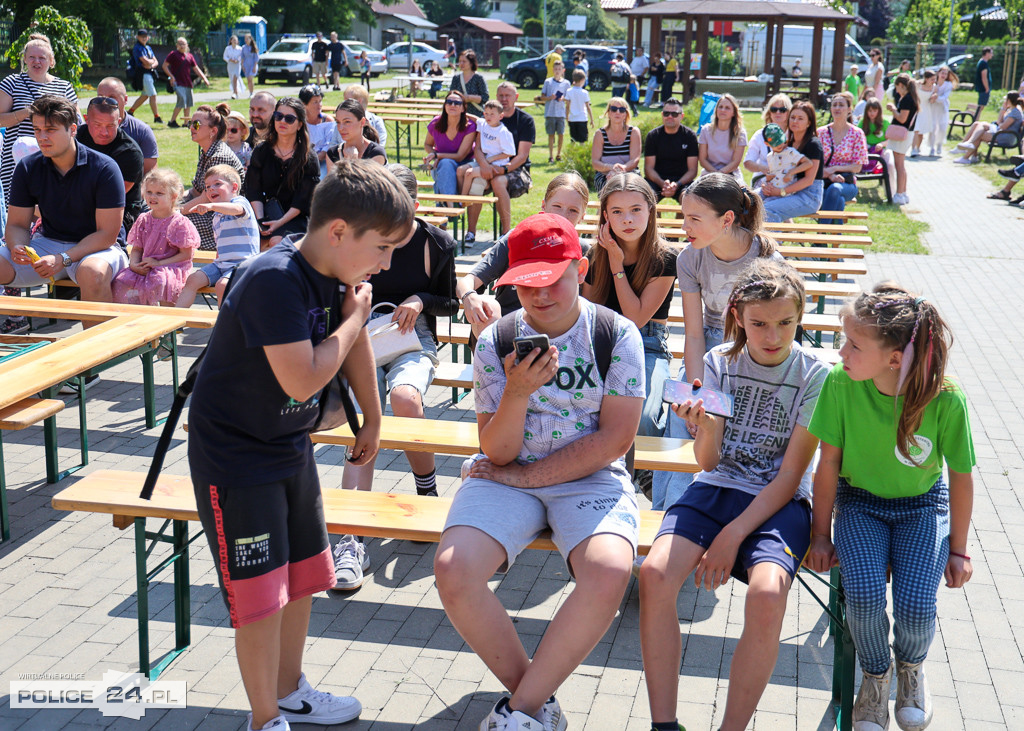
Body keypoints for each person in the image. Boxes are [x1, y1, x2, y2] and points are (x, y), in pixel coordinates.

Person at [186, 159, 414, 731]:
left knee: (305, 574)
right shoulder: (272, 278)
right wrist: (355, 317)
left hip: (290, 446)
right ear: (339, 231)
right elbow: (305, 377)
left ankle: (290, 691)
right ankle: (265, 719)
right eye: (383, 248)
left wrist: (373, 420)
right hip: (237, 458)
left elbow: (353, 343)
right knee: (260, 597)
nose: (387, 263)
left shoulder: (335, 271)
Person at [435, 211, 646, 731]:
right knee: (453, 571)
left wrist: (529, 479)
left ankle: (521, 710)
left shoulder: (616, 335)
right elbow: (498, 452)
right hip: (510, 473)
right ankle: (534, 701)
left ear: (581, 265)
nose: (540, 295)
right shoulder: (495, 341)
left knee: (610, 572)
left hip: (588, 475)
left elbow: (615, 439)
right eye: (526, 283)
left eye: (553, 279)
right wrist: (517, 392)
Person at [640, 258, 829, 731]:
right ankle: (663, 724)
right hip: (718, 487)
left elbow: (791, 477)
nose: (773, 335)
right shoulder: (719, 362)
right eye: (760, 323)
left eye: (786, 322)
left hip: (779, 501)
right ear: (739, 314)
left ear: (800, 316)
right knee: (654, 576)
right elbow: (708, 462)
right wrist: (701, 425)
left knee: (767, 594)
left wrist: (731, 536)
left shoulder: (816, 374)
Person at [806, 284, 975, 731]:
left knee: (917, 604)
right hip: (860, 504)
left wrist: (959, 550)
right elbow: (828, 466)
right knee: (860, 597)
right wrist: (821, 535)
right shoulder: (840, 383)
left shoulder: (946, 398)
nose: (840, 351)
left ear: (895, 358)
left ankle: (911, 669)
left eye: (853, 344)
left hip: (923, 507)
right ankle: (876, 677)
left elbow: (960, 477)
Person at [334, 164, 458, 590]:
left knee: (405, 398)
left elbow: (450, 302)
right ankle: (351, 537)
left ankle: (427, 495)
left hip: (411, 338)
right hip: (361, 336)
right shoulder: (363, 234)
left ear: (414, 207)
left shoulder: (436, 242)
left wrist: (421, 301)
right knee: (356, 414)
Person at [650, 174, 783, 519]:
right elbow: (693, 335)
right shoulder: (689, 259)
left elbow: (772, 337)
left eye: (694, 219)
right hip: (708, 350)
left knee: (720, 421)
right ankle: (667, 517)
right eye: (683, 217)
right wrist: (695, 391)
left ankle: (698, 517)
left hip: (750, 354)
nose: (685, 227)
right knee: (681, 417)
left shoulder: (768, 264)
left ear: (726, 220)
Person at [1, 95, 128, 309]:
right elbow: (16, 225)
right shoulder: (27, 167)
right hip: (47, 244)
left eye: (50, 130)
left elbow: (107, 235)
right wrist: (18, 247)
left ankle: (98, 342)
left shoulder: (105, 168)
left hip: (99, 249)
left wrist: (62, 258)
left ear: (73, 129)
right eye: (37, 129)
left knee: (92, 273)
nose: (42, 137)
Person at [582, 173, 676, 451]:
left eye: (636, 210)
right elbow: (591, 314)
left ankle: (647, 478)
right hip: (601, 342)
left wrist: (617, 265)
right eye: (617, 212)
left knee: (644, 418)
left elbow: (636, 319)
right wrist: (607, 257)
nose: (627, 220)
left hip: (648, 343)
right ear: (605, 216)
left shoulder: (665, 257)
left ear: (650, 210)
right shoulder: (594, 255)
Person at [457, 172, 590, 338]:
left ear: (583, 216)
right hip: (509, 329)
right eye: (557, 206)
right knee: (488, 306)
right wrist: (469, 296)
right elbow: (467, 281)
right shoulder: (518, 238)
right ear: (544, 205)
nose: (563, 216)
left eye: (573, 210)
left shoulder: (584, 250)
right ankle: (494, 361)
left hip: (559, 333)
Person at [112, 168, 199, 306]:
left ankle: (170, 320)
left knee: (161, 281)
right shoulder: (144, 219)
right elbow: (137, 248)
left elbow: (186, 255)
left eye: (159, 193)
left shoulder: (179, 223)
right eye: (149, 192)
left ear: (173, 196)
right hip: (147, 265)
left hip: (172, 266)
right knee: (122, 280)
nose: (153, 197)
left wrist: (159, 264)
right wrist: (134, 264)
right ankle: (139, 318)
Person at [177, 165, 261, 307]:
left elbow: (236, 210)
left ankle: (223, 325)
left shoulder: (240, 202)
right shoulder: (217, 215)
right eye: (208, 186)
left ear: (234, 188)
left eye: (217, 184)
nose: (211, 189)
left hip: (243, 264)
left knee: (222, 285)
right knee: (192, 279)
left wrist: (211, 206)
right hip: (222, 264)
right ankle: (176, 320)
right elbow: (220, 244)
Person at [463, 82, 535, 244]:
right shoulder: (488, 118)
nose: (504, 99)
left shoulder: (525, 121)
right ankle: (471, 232)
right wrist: (485, 166)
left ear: (515, 97)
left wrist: (502, 169)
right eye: (501, 95)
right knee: (476, 183)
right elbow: (478, 148)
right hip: (486, 164)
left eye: (507, 95)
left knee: (497, 181)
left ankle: (505, 233)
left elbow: (521, 156)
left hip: (515, 169)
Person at [246, 98, 321, 247]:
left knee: (276, 242)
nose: (282, 121)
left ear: (299, 124)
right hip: (265, 213)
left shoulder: (308, 157)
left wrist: (278, 223)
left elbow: (302, 201)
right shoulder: (261, 151)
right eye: (278, 116)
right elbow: (253, 190)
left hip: (296, 217)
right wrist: (262, 222)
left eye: (289, 118)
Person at [178, 103, 246, 250]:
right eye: (191, 123)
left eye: (196, 124)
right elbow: (195, 191)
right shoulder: (207, 152)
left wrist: (177, 211)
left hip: (222, 215)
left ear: (213, 131)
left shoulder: (219, 156)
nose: (191, 128)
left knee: (175, 222)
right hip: (208, 208)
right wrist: (174, 200)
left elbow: (206, 197)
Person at [77, 95, 146, 234]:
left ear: (119, 122)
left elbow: (111, 195)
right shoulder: (76, 139)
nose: (104, 132)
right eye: (97, 125)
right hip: (78, 204)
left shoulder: (129, 152)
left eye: (110, 125)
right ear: (86, 119)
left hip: (118, 211)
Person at [758, 101, 824, 221]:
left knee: (767, 210)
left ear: (809, 123)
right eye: (792, 117)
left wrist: (780, 192)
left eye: (800, 118)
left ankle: (773, 240)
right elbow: (777, 170)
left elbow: (809, 180)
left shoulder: (813, 144)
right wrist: (767, 185)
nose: (795, 121)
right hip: (788, 189)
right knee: (752, 200)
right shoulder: (787, 143)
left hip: (809, 196)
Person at [818, 92, 869, 225]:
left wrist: (835, 169)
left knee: (835, 189)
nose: (837, 108)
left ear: (849, 109)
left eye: (841, 105)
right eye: (834, 105)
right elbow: (815, 162)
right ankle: (835, 238)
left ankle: (820, 236)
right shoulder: (821, 133)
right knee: (837, 200)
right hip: (823, 180)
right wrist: (830, 175)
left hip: (847, 183)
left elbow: (857, 167)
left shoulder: (857, 134)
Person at [98, 77, 159, 174]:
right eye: (100, 97)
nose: (105, 102)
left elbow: (150, 177)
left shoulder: (142, 131)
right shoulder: (88, 130)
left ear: (125, 99)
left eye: (112, 97)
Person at [643, 97, 699, 203]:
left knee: (689, 200)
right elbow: (648, 168)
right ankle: (654, 219)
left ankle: (682, 220)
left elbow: (692, 170)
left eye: (674, 114)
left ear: (681, 116)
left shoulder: (689, 136)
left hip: (682, 181)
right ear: (662, 115)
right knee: (647, 199)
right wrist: (662, 183)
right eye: (666, 113)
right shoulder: (653, 136)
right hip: (656, 180)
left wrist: (677, 184)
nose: (669, 116)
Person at [423, 91, 476, 196]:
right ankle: (449, 206)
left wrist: (437, 155)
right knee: (445, 164)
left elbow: (460, 156)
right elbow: (427, 144)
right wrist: (435, 157)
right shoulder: (436, 123)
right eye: (449, 102)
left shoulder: (469, 126)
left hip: (464, 164)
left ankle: (445, 206)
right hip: (442, 164)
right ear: (445, 105)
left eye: (457, 103)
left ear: (463, 108)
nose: (452, 105)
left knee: (446, 163)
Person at [954, 92, 1024, 165]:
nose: (1004, 101)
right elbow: (999, 121)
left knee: (980, 133)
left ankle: (966, 155)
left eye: (1005, 100)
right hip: (1002, 133)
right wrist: (1003, 108)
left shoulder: (1016, 111)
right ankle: (969, 148)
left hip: (1007, 136)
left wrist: (998, 125)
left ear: (1009, 100)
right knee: (977, 124)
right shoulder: (1011, 109)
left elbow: (1003, 126)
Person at [463, 100, 515, 196]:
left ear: (501, 116)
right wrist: (463, 113)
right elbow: (476, 119)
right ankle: (460, 199)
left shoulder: (503, 132)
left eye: (492, 114)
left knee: (469, 173)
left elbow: (509, 152)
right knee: (460, 171)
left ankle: (462, 200)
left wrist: (491, 159)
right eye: (486, 113)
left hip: (497, 165)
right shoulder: (483, 124)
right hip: (485, 162)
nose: (488, 116)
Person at [591, 96, 642, 193]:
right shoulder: (600, 134)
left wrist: (621, 170)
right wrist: (612, 168)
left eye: (622, 110)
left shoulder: (633, 132)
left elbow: (635, 160)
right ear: (608, 113)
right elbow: (595, 163)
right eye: (614, 109)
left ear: (625, 114)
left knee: (631, 191)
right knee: (610, 193)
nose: (617, 112)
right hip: (605, 174)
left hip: (629, 173)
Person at [744, 94, 792, 185]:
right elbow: (748, 162)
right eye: (774, 109)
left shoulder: (794, 134)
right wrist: (762, 168)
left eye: (782, 110)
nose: (778, 112)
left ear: (789, 112)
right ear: (769, 112)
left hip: (788, 181)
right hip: (763, 180)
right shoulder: (760, 135)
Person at [698, 93, 747, 182]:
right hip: (709, 173)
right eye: (720, 107)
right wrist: (714, 173)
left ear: (733, 113)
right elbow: (702, 159)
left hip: (731, 174)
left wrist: (720, 174)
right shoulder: (706, 130)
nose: (723, 110)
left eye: (727, 108)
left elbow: (735, 162)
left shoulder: (740, 133)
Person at [163, 37, 210, 128]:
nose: (182, 45)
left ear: (187, 45)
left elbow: (196, 68)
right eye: (180, 43)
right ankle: (172, 121)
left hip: (188, 83)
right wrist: (171, 77)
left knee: (188, 103)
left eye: (183, 44)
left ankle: (186, 123)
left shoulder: (189, 56)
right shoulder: (173, 54)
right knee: (182, 100)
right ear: (177, 45)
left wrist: (204, 78)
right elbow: (164, 66)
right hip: (177, 82)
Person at [886, 74, 918, 205]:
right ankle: (903, 192)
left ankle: (899, 194)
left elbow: (902, 118)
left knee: (899, 166)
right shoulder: (912, 98)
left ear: (901, 85)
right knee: (902, 165)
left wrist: (893, 109)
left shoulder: (907, 99)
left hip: (902, 135)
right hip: (907, 134)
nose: (896, 90)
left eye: (897, 87)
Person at [326, 99, 387, 166]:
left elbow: (365, 177)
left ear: (362, 122)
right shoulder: (332, 153)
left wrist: (352, 161)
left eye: (347, 122)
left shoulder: (376, 153)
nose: (340, 128)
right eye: (338, 122)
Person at [760, 123, 814, 192]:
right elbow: (774, 175)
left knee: (766, 203)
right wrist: (767, 179)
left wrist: (791, 172)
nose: (779, 145)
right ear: (767, 143)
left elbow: (808, 163)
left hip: (785, 192)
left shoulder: (790, 152)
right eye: (775, 143)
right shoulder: (769, 156)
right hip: (772, 189)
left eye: (780, 141)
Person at [860, 98, 897, 196]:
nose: (872, 113)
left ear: (879, 111)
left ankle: (890, 192)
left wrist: (882, 144)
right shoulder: (863, 122)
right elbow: (857, 136)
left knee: (890, 164)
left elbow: (890, 139)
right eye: (870, 111)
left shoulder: (884, 123)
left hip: (881, 150)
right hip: (866, 151)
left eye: (874, 111)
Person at [127, 29, 161, 122]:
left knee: (145, 95)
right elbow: (144, 61)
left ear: (148, 37)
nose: (144, 38)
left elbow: (155, 61)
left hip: (149, 72)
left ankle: (130, 112)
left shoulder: (148, 48)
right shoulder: (137, 47)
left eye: (145, 36)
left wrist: (150, 64)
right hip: (142, 74)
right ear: (137, 37)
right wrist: (150, 63)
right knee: (153, 95)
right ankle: (156, 117)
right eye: (142, 36)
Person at [300, 84, 335, 175]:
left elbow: (329, 145)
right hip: (302, 161)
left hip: (323, 161)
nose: (319, 105)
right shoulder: (299, 122)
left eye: (320, 101)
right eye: (315, 102)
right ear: (304, 104)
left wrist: (315, 159)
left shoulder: (327, 120)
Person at [539, 60, 570, 162]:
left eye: (559, 69)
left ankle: (558, 154)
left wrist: (563, 99)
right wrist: (549, 97)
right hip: (550, 112)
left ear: (563, 70)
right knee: (551, 134)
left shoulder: (566, 83)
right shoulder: (548, 82)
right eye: (556, 69)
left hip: (561, 113)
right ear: (553, 70)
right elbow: (542, 97)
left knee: (561, 134)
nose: (557, 71)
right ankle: (551, 155)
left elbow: (568, 98)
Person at [928, 66, 957, 157]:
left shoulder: (948, 85)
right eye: (942, 73)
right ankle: (932, 147)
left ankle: (939, 145)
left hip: (942, 108)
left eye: (945, 73)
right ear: (938, 73)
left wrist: (935, 97)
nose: (944, 75)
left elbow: (944, 98)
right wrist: (932, 98)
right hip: (933, 108)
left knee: (942, 127)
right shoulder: (933, 83)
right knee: (932, 127)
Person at [450, 50, 488, 117]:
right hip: (459, 115)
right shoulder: (456, 78)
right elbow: (451, 96)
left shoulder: (479, 78)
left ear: (471, 63)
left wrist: (469, 98)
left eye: (464, 61)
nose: (461, 64)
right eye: (460, 61)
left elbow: (485, 97)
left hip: (477, 116)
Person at [911, 70, 936, 157]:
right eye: (932, 79)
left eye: (934, 79)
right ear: (926, 78)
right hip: (917, 109)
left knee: (921, 132)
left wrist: (934, 98)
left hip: (926, 110)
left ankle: (918, 148)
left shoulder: (934, 88)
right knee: (916, 130)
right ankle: (913, 149)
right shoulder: (918, 84)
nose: (933, 81)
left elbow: (932, 101)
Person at [565, 69, 594, 145]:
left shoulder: (569, 91)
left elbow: (567, 106)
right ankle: (582, 154)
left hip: (572, 118)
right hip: (582, 118)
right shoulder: (584, 92)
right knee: (582, 140)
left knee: (573, 139)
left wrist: (567, 117)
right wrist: (592, 119)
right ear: (582, 80)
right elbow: (588, 107)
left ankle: (571, 155)